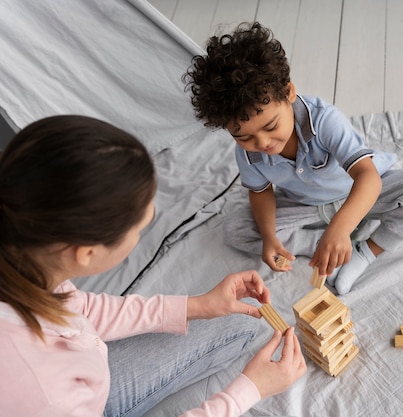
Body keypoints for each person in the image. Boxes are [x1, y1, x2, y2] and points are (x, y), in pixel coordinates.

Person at [0, 115, 306, 417]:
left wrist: (197, 305)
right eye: (138, 229)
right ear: (86, 253)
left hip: (78, 381)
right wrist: (248, 390)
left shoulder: (23, 254)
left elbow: (76, 309)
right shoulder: (46, 393)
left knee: (240, 326)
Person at [184, 22, 403, 294]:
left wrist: (341, 228)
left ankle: (364, 252)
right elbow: (260, 193)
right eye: (244, 137)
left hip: (360, 195)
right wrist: (269, 237)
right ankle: (323, 244)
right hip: (306, 208)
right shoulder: (247, 154)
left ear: (288, 93)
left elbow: (367, 177)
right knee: (236, 229)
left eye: (271, 126)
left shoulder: (323, 120)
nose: (262, 143)